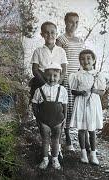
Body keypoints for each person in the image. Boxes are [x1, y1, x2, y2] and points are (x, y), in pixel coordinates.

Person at [30, 21, 68, 157]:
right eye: (46, 32)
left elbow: (64, 70)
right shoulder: (38, 51)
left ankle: (57, 147)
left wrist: (57, 84)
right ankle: (46, 146)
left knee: (59, 115)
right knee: (43, 116)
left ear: (56, 34)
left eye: (52, 32)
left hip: (57, 85)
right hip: (41, 85)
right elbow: (35, 69)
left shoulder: (61, 51)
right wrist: (44, 83)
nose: (50, 35)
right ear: (42, 34)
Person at [69, 49, 106, 165]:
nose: (85, 61)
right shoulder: (77, 75)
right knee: (82, 129)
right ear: (80, 61)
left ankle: (93, 155)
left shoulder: (98, 75)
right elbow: (73, 91)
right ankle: (83, 153)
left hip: (93, 104)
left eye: (88, 58)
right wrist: (80, 93)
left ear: (94, 60)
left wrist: (95, 91)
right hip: (81, 103)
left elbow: (102, 92)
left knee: (92, 130)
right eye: (82, 59)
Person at [56, 12, 85, 151]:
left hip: (77, 79)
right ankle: (66, 138)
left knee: (77, 108)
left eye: (76, 22)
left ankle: (81, 141)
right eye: (71, 22)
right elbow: (58, 60)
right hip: (66, 78)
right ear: (65, 22)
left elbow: (82, 61)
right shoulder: (61, 40)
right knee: (66, 109)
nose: (74, 25)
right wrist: (61, 79)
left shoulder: (80, 41)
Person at [32, 63, 68, 170]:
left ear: (59, 76)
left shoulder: (62, 90)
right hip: (44, 120)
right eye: (49, 75)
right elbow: (34, 104)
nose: (52, 78)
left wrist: (64, 119)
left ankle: (55, 159)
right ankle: (45, 159)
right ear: (44, 75)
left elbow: (65, 105)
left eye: (55, 76)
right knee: (45, 140)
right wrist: (38, 118)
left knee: (56, 140)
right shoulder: (40, 90)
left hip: (58, 120)